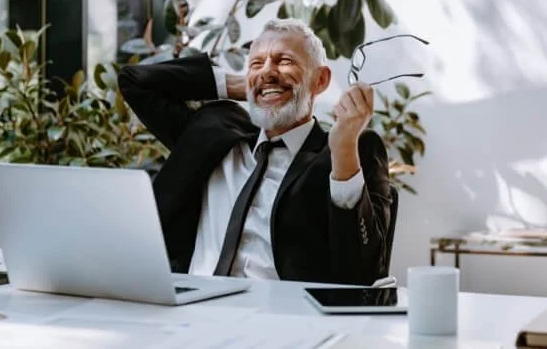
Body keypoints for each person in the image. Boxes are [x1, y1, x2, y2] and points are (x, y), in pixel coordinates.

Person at [117, 18, 392, 285]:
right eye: (256, 63)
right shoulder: (212, 131)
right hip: (191, 308)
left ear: (319, 80)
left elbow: (363, 273)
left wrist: (343, 150)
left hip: (285, 319)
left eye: (284, 61)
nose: (268, 71)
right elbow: (135, 82)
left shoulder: (350, 150)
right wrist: (247, 84)